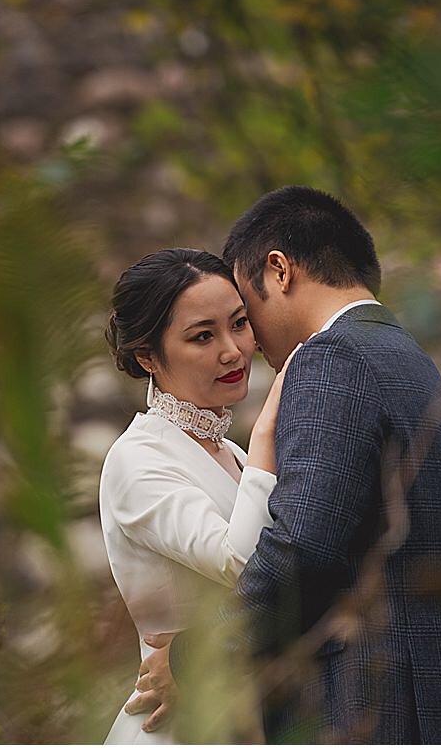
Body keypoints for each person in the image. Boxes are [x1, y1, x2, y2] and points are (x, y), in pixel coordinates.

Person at [126, 186, 441, 743]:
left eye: (245, 312)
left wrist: (194, 661)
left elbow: (301, 552)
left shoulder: (332, 359)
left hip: (377, 716)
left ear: (279, 271)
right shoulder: (409, 361)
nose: (248, 342)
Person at [99, 248, 298, 744]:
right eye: (202, 336)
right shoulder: (137, 460)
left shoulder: (225, 450)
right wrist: (268, 435)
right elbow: (242, 562)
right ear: (148, 356)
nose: (232, 350)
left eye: (239, 323)